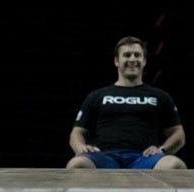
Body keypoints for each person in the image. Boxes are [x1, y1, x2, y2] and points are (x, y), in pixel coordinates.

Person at [66, 36, 186, 170]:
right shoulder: (97, 96)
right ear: (117, 61)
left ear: (144, 60)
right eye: (127, 55)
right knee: (77, 164)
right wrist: (81, 149)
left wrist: (162, 150)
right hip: (104, 158)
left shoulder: (161, 96)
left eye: (137, 55)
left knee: (174, 165)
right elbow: (76, 133)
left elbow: (178, 134)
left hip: (145, 159)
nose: (132, 59)